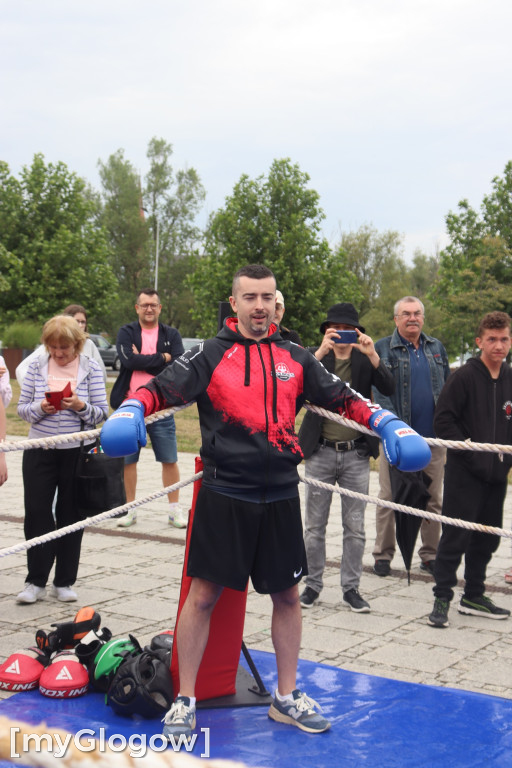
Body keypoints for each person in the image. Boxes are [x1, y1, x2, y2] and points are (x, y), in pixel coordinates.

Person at [100, 264, 430, 741]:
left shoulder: (295, 356)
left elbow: (342, 397)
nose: (259, 306)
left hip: (278, 491)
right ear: (234, 303)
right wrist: (131, 408)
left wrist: (386, 422)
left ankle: (286, 697)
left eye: (267, 297)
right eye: (249, 297)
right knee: (204, 596)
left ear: (277, 303)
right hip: (224, 492)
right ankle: (185, 699)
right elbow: (159, 389)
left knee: (288, 595)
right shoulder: (210, 354)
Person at [298, 303, 395, 612]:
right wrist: (319, 353)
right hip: (320, 451)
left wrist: (372, 355)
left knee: (355, 526)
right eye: (335, 328)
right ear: (327, 330)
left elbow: (389, 387)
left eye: (347, 329)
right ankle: (312, 585)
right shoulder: (315, 357)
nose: (341, 335)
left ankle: (351, 588)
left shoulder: (364, 360)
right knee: (314, 526)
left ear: (358, 332)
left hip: (355, 454)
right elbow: (293, 387)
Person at [16, 315, 108, 604]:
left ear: (78, 345)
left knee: (72, 514)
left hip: (75, 453)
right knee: (37, 513)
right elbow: (23, 410)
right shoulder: (35, 366)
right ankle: (35, 581)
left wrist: (80, 406)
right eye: (53, 347)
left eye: (64, 348)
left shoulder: (92, 368)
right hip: (39, 450)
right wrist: (42, 407)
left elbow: (102, 413)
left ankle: (64, 581)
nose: (58, 353)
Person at [428, 311, 512, 627]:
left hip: (497, 476)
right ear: (479, 341)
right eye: (492, 339)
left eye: (504, 339)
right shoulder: (463, 377)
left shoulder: (510, 378)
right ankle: (441, 599)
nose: (498, 345)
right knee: (455, 538)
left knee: (487, 539)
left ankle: (474, 595)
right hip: (465, 475)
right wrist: (469, 451)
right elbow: (442, 420)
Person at [372, 296, 450, 577]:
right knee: (389, 497)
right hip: (397, 440)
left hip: (433, 441)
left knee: (433, 499)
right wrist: (397, 431)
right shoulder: (382, 348)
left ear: (423, 318)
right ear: (396, 319)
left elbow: (447, 389)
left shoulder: (436, 347)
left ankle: (430, 555)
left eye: (417, 313)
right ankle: (383, 555)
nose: (412, 318)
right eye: (406, 313)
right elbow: (380, 395)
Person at [110, 289, 186, 528]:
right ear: (137, 308)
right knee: (128, 461)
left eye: (153, 305)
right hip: (130, 407)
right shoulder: (127, 332)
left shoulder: (171, 334)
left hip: (161, 406)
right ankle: (129, 510)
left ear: (160, 308)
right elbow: (129, 361)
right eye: (144, 305)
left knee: (170, 459)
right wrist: (162, 358)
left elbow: (177, 364)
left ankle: (174, 510)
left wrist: (147, 359)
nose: (149, 309)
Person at [16, 304, 107, 386]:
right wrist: (36, 392)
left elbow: (101, 375)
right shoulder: (50, 345)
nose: (80, 325)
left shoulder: (89, 345)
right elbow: (21, 370)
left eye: (83, 322)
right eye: (76, 321)